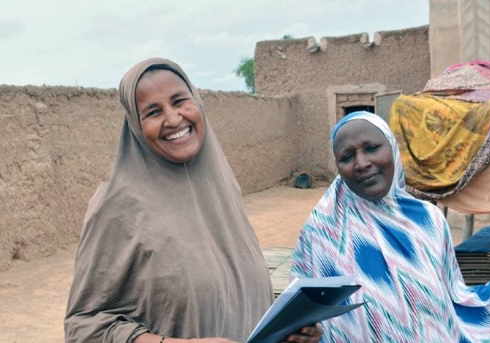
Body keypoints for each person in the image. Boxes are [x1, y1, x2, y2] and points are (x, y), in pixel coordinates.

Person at [64, 58, 322, 343]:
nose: (173, 119)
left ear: (197, 102)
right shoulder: (118, 206)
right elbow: (83, 327)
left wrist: (288, 331)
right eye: (152, 112)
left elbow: (233, 299)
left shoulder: (221, 186)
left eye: (179, 101)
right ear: (136, 127)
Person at [289, 111, 490, 342]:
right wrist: (309, 333)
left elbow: (454, 296)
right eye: (347, 157)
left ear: (393, 150)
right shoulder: (322, 232)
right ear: (338, 166)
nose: (362, 163)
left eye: (372, 148)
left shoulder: (429, 220)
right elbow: (301, 315)